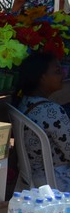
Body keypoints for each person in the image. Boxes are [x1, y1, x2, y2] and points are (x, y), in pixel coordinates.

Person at [14, 51, 70, 189]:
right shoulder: (52, 111)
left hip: (32, 176)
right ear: (42, 77)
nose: (63, 75)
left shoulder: (24, 102)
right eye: (57, 71)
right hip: (56, 178)